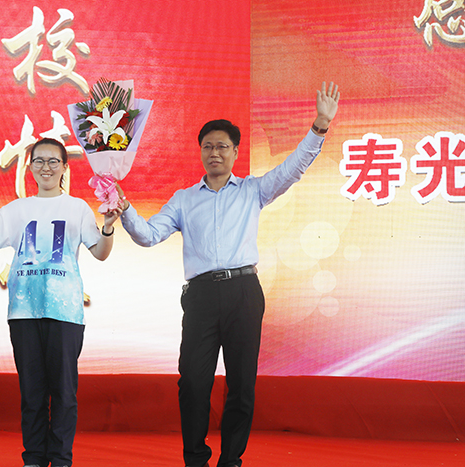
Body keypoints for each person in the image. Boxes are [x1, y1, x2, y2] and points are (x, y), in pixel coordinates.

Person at [117, 82, 340, 467]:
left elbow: (293, 168)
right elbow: (149, 236)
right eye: (208, 146)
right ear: (201, 152)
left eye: (222, 146)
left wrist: (319, 125)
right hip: (201, 296)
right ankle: (195, 459)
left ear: (235, 152)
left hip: (243, 292)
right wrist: (125, 210)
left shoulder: (253, 191)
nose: (215, 152)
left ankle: (231, 459)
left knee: (241, 383)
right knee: (192, 381)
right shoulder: (184, 199)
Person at [0, 138, 123, 467]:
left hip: (65, 311)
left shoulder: (77, 208)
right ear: (30, 166)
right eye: (39, 161)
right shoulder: (18, 209)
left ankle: (61, 459)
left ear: (65, 167)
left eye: (53, 161)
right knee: (32, 391)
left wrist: (108, 227)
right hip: (23, 312)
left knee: (64, 391)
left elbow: (100, 253)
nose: (46, 167)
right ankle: (34, 458)